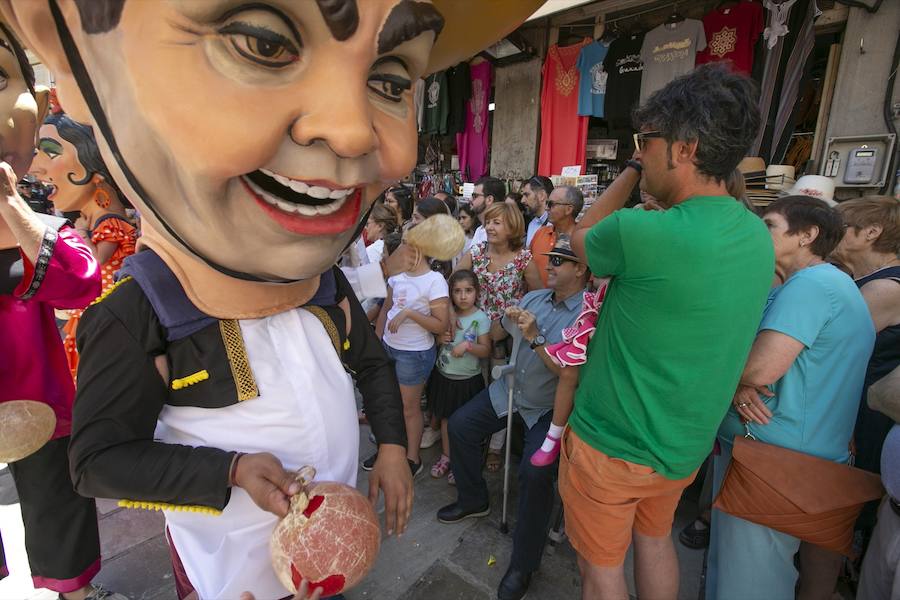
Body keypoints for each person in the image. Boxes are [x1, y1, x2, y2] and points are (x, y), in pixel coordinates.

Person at [2, 1, 542, 598]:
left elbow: (370, 363)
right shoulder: (138, 310)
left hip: (332, 544)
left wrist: (392, 445)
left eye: (387, 81)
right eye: (262, 45)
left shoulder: (325, 281)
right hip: (230, 568)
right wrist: (228, 470)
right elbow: (97, 461)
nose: (352, 131)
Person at [563, 63, 773, 600]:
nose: (641, 151)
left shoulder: (641, 232)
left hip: (612, 444)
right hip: (683, 445)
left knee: (601, 570)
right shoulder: (755, 234)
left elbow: (580, 235)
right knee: (655, 541)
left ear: (682, 148)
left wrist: (630, 172)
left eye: (644, 142)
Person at [0, 22, 124, 600]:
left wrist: (11, 208)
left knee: (57, 507)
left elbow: (82, 281)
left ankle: (74, 592)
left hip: (43, 400)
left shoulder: (50, 227)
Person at [707, 196, 875, 599]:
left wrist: (734, 378)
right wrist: (737, 378)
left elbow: (760, 368)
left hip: (773, 464)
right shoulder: (811, 283)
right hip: (774, 457)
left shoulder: (814, 285)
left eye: (769, 225)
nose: (758, 233)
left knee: (748, 585)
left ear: (807, 235)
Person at [437, 239, 590, 600]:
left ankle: (524, 562)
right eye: (550, 259)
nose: (549, 265)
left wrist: (536, 336)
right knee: (460, 425)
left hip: (549, 408)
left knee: (535, 474)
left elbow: (568, 371)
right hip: (511, 390)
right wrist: (489, 317)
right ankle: (475, 499)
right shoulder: (535, 298)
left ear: (581, 269)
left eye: (560, 261)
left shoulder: (586, 313)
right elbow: (499, 334)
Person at [29, 110, 136, 380]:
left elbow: (96, 261)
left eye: (50, 152)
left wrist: (81, 235)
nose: (34, 167)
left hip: (109, 314)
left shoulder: (109, 223)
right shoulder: (97, 222)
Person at [376, 221, 450, 477]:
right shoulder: (397, 276)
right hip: (389, 347)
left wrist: (409, 313)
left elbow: (441, 325)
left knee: (409, 408)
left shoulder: (435, 281)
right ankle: (391, 449)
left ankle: (412, 458)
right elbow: (386, 308)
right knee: (390, 403)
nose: (403, 249)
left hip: (414, 353)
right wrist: (378, 340)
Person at [427, 270, 491, 483]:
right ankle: (446, 456)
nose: (463, 296)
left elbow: (486, 350)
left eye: (468, 291)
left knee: (462, 424)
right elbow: (435, 342)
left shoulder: (480, 318)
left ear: (477, 292)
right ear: (450, 294)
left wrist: (468, 345)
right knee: (446, 419)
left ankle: (460, 462)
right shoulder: (446, 316)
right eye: (457, 291)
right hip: (444, 377)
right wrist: (440, 339)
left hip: (468, 381)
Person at [530, 185, 584, 288]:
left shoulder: (581, 240)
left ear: (568, 209)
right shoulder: (540, 233)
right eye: (546, 203)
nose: (546, 208)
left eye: (551, 204)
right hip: (537, 302)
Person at [469, 175, 505, 247]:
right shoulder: (479, 229)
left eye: (474, 196)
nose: (470, 199)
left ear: (489, 200)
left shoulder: (499, 232)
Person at [522, 175, 553, 247]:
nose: (522, 200)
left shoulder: (555, 224)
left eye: (527, 195)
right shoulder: (532, 223)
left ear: (541, 195)